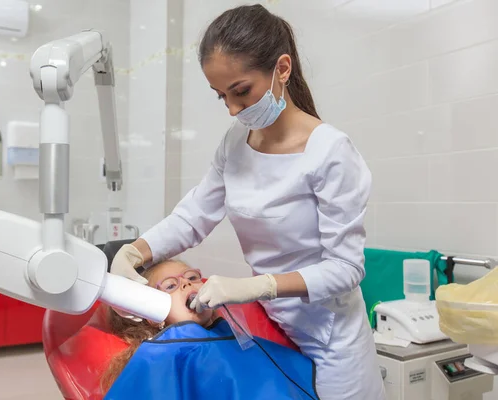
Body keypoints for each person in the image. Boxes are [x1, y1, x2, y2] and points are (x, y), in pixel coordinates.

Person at [111, 4, 385, 400]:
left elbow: (345, 269)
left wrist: (258, 285)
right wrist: (134, 251)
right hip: (268, 326)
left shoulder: (330, 152)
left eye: (241, 91)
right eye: (221, 96)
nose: (233, 110)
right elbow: (192, 216)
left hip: (331, 340)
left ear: (282, 69)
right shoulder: (235, 143)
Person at [101, 259, 319, 399]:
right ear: (150, 314)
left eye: (192, 277)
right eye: (170, 285)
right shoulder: (158, 357)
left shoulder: (240, 340)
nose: (186, 284)